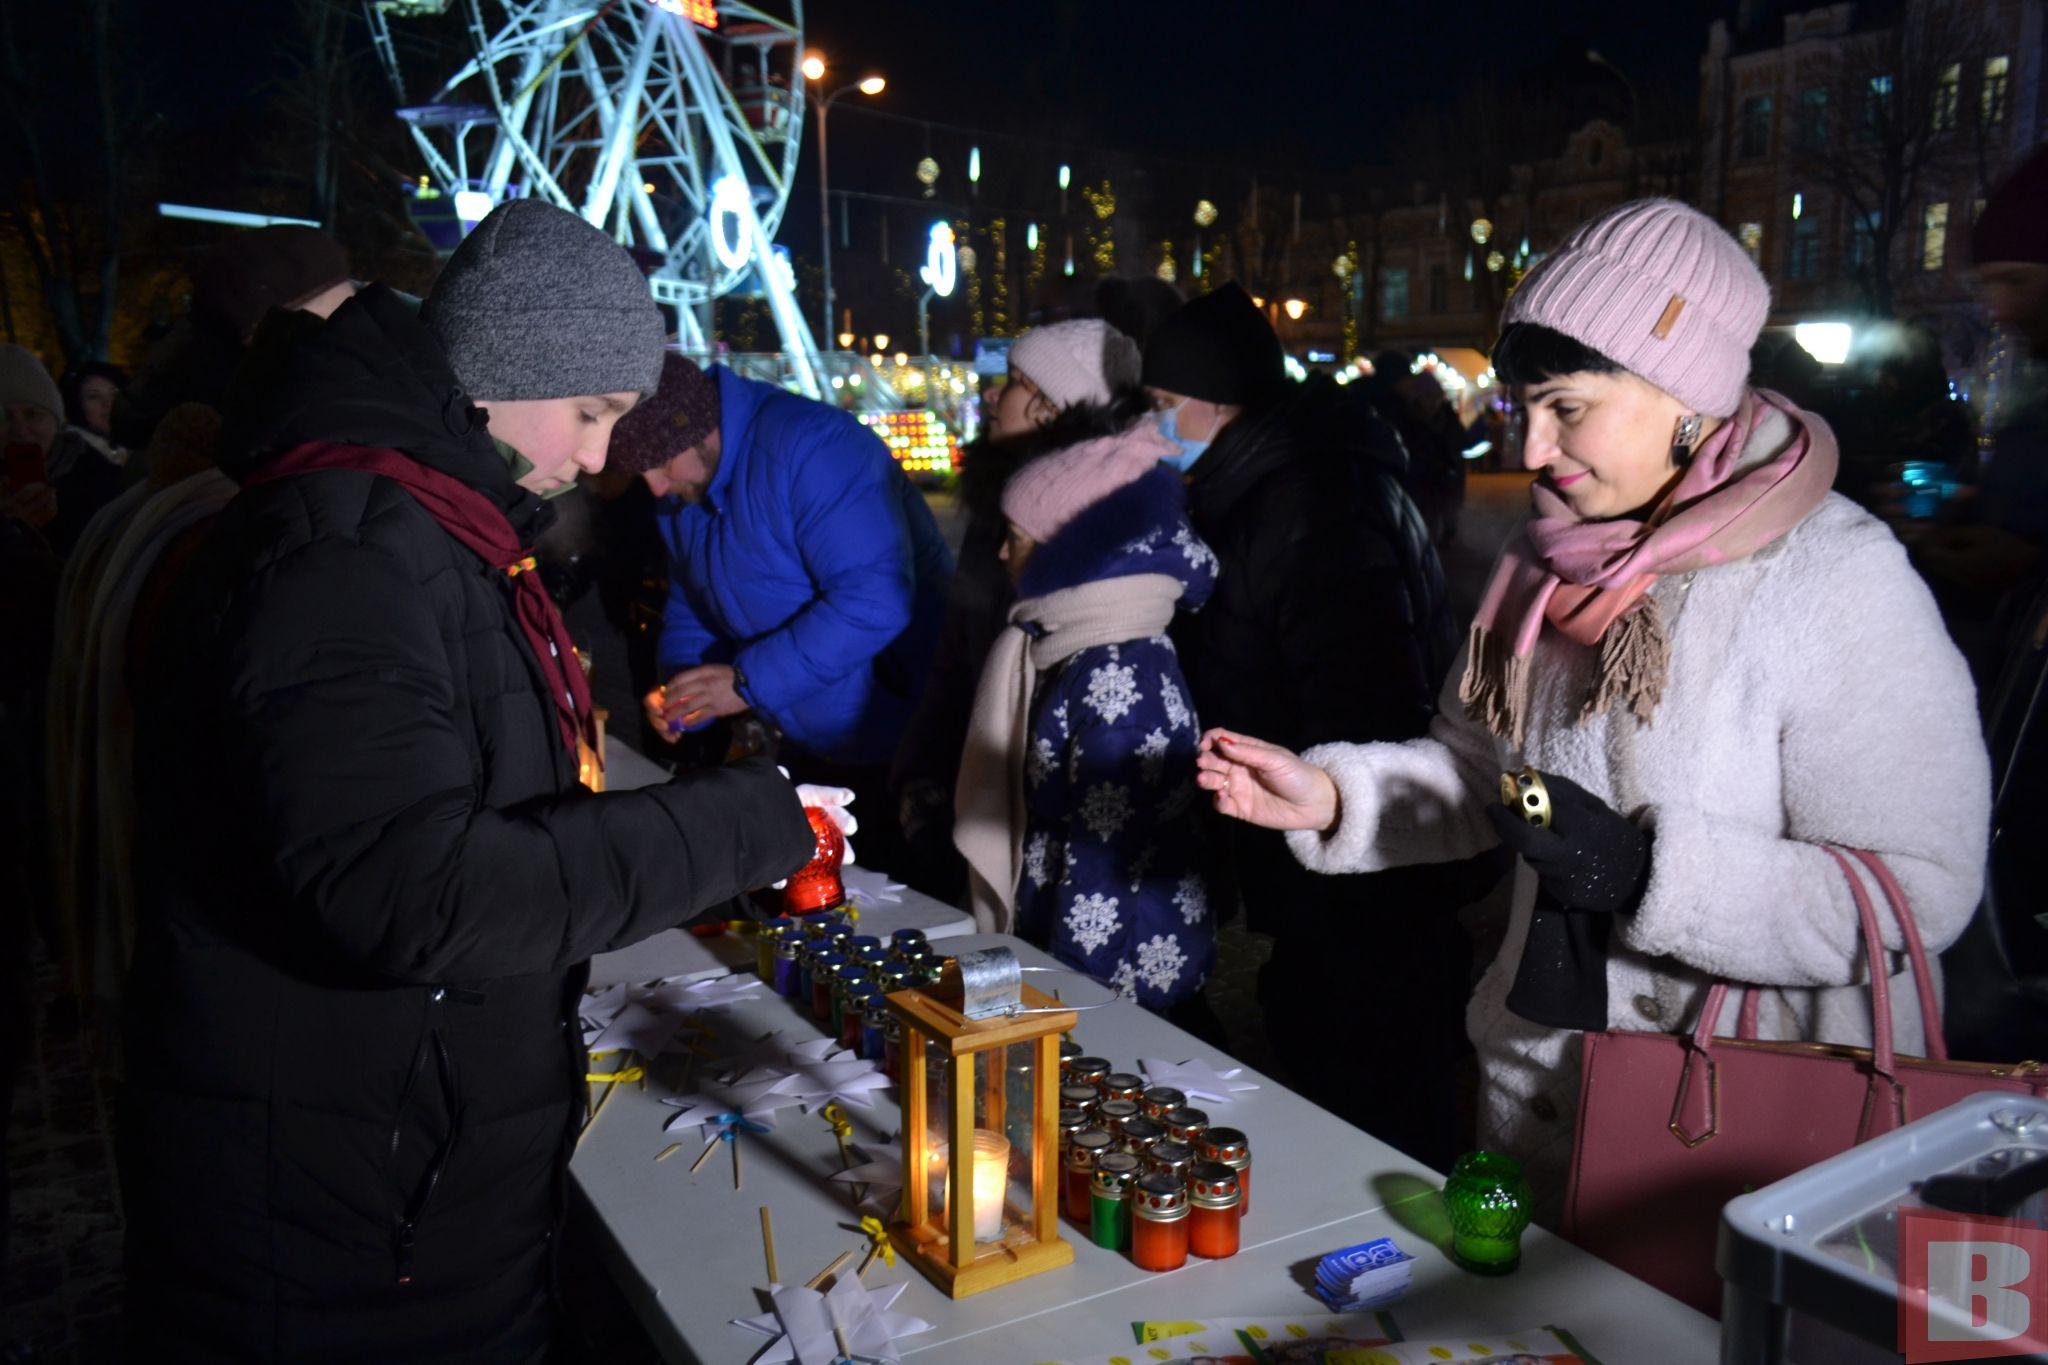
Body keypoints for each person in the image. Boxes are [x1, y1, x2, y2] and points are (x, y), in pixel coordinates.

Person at [120, 199, 824, 1360]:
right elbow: (411, 890)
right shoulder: (345, 549)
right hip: (336, 1239)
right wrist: (741, 825)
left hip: (393, 1183)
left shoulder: (420, 527)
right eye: (591, 414)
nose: (598, 456)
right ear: (504, 372)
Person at [1196, 200, 1991, 1216]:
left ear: (1685, 397)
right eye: (1518, 404)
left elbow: (1915, 889)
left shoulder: (1834, 579)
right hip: (1545, 1084)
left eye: (1565, 407)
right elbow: (1486, 779)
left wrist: (1649, 873)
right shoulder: (1542, 567)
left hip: (1744, 1126)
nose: (1528, 449)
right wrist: (1332, 797)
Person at [1142, 283, 1469, 1169]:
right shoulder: (1271, 478)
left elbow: (1366, 686)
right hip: (1323, 844)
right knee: (1334, 1050)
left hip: (1360, 863)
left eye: (1165, 406)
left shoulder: (1313, 498)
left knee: (1372, 1075)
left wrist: (1332, 823)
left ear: (1219, 402)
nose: (1156, 424)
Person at [608, 351, 953, 875]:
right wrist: (684, 687)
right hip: (804, 732)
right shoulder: (685, 486)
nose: (655, 487)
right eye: (642, 470)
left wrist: (746, 684)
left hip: (898, 735)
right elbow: (692, 601)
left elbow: (875, 600)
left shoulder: (815, 448)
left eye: (662, 463)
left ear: (705, 428)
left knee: (907, 902)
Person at [953, 416, 1223, 1021]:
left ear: (1073, 555)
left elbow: (1103, 867)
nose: (1001, 551)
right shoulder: (1082, 647)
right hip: (1084, 956)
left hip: (1123, 985)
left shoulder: (1116, 676)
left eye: (1018, 537)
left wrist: (1071, 1007)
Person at [892, 319, 1150, 901]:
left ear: (1047, 407)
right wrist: (921, 774)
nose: (991, 394)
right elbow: (958, 655)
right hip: (978, 787)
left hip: (1052, 816)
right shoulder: (1001, 508)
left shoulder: (1096, 525)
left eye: (1010, 380)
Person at [114, 224, 354, 452]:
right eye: (325, 326)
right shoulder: (219, 466)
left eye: (354, 312)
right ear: (255, 341)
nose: (357, 337)